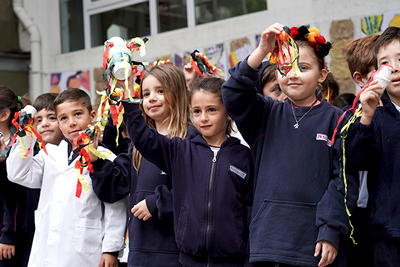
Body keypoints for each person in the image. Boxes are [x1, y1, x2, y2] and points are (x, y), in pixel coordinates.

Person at [221, 23, 358, 267]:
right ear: (276, 75)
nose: (292, 73)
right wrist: (262, 50)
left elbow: (343, 182)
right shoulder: (265, 113)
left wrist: (331, 231)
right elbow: (232, 93)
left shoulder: (338, 119)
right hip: (268, 243)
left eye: (303, 67)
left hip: (316, 245)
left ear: (322, 74)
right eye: (285, 68)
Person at [116, 76, 254, 267]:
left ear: (228, 111)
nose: (203, 118)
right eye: (197, 111)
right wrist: (130, 100)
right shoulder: (181, 150)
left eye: (211, 110)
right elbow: (143, 138)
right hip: (189, 261)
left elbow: (251, 213)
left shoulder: (245, 157)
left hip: (233, 261)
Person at [90, 64, 198, 267]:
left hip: (177, 252)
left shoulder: (190, 139)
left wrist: (158, 202)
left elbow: (197, 191)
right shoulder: (136, 148)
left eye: (160, 91)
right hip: (140, 252)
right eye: (146, 93)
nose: (152, 98)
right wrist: (95, 160)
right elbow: (114, 187)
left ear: (178, 93)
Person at [6, 88, 128, 267]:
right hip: (47, 251)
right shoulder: (49, 155)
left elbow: (116, 207)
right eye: (63, 118)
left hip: (85, 253)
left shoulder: (105, 157)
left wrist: (111, 249)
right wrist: (25, 134)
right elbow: (18, 173)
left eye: (78, 114)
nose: (71, 123)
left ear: (92, 115)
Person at [344, 26, 400, 267]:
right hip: (389, 234)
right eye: (385, 63)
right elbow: (355, 162)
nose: (394, 68)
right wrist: (366, 116)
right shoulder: (373, 116)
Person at [341, 34, 379, 267]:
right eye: (384, 67)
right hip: (361, 221)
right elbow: (351, 160)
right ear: (361, 78)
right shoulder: (349, 118)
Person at [0, 86, 35, 267]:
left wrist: (8, 233)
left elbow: (14, 195)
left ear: (4, 115)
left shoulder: (18, 146)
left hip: (7, 236)